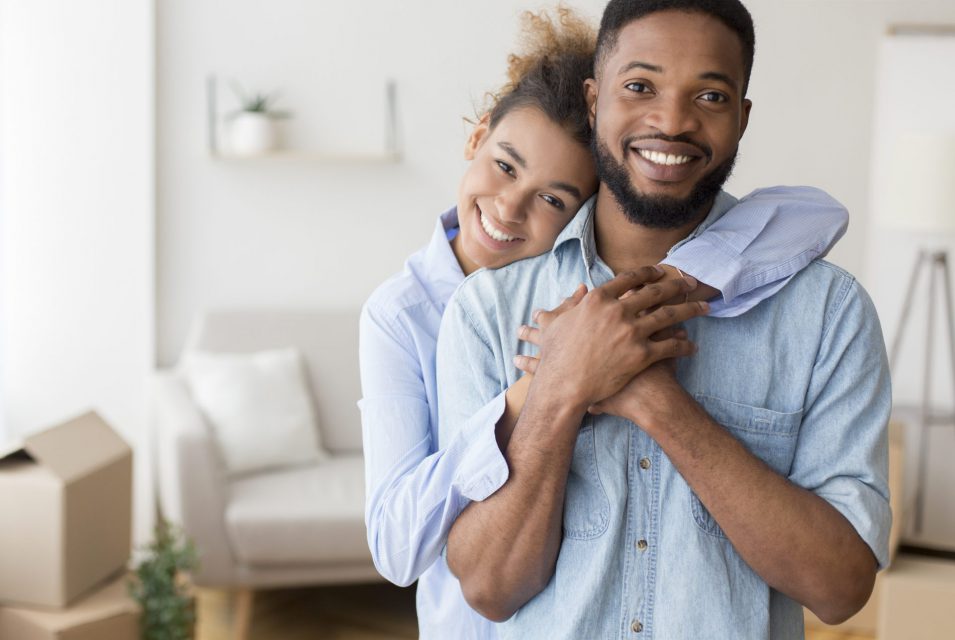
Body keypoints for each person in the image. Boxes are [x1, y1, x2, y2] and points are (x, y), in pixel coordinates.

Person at [360, 6, 850, 640]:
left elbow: (812, 212)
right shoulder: (421, 313)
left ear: (587, 203)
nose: (510, 209)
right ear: (476, 138)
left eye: (555, 198)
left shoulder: (808, 306)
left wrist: (662, 292)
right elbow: (405, 550)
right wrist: (544, 384)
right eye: (506, 166)